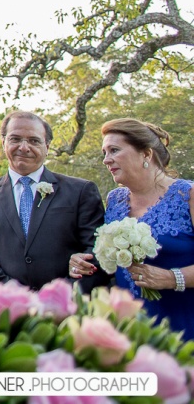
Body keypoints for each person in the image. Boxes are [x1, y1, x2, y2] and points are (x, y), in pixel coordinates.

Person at [70, 118, 194, 338]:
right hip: (132, 328)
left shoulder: (188, 195)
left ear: (146, 154)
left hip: (184, 324)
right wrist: (83, 262)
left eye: (114, 150)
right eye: (104, 153)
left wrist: (172, 278)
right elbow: (111, 261)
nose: (106, 160)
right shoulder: (115, 199)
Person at [0, 111, 106, 291]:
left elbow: (97, 250)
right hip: (11, 309)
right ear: (4, 143)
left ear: (47, 146)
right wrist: (14, 295)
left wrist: (60, 297)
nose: (24, 147)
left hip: (70, 305)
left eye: (34, 141)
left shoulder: (80, 191)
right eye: (15, 139)